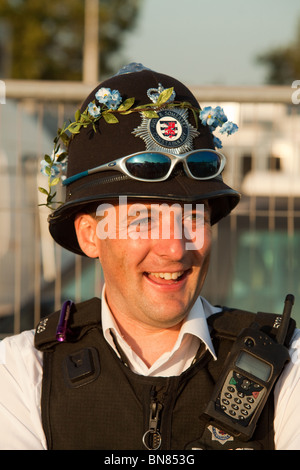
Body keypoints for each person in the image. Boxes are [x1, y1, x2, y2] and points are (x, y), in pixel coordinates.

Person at [0, 63, 300, 450]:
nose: (175, 248)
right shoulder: (25, 371)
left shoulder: (287, 363)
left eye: (194, 218)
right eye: (143, 219)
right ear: (90, 236)